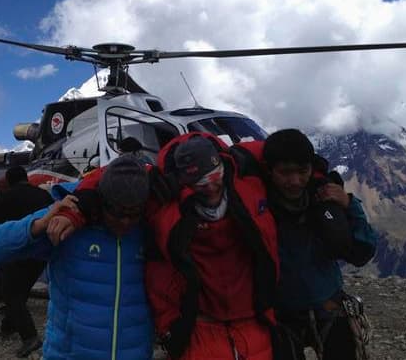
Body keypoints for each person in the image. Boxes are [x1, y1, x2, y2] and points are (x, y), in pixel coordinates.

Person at [0, 156, 155, 360]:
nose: (125, 222)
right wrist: (39, 224)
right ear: (102, 201)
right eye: (117, 212)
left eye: (134, 213)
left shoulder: (151, 225)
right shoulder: (66, 221)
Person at [235, 129, 377, 360]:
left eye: (302, 172)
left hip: (325, 309)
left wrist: (349, 204)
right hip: (282, 315)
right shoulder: (254, 207)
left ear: (312, 168)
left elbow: (362, 251)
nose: (295, 181)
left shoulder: (326, 199)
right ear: (269, 170)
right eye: (285, 173)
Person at [146, 133, 281, 360]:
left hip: (253, 322)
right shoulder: (167, 210)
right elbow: (113, 179)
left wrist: (320, 175)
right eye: (200, 182)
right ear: (184, 183)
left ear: (223, 165)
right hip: (201, 329)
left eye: (214, 175)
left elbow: (287, 149)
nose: (211, 187)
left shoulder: (247, 189)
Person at [0, 166, 54, 358]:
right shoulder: (44, 195)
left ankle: (30, 337)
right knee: (21, 290)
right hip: (41, 253)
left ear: (9, 181)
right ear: (26, 177)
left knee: (10, 293)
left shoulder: (6, 198)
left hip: (18, 251)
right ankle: (9, 326)